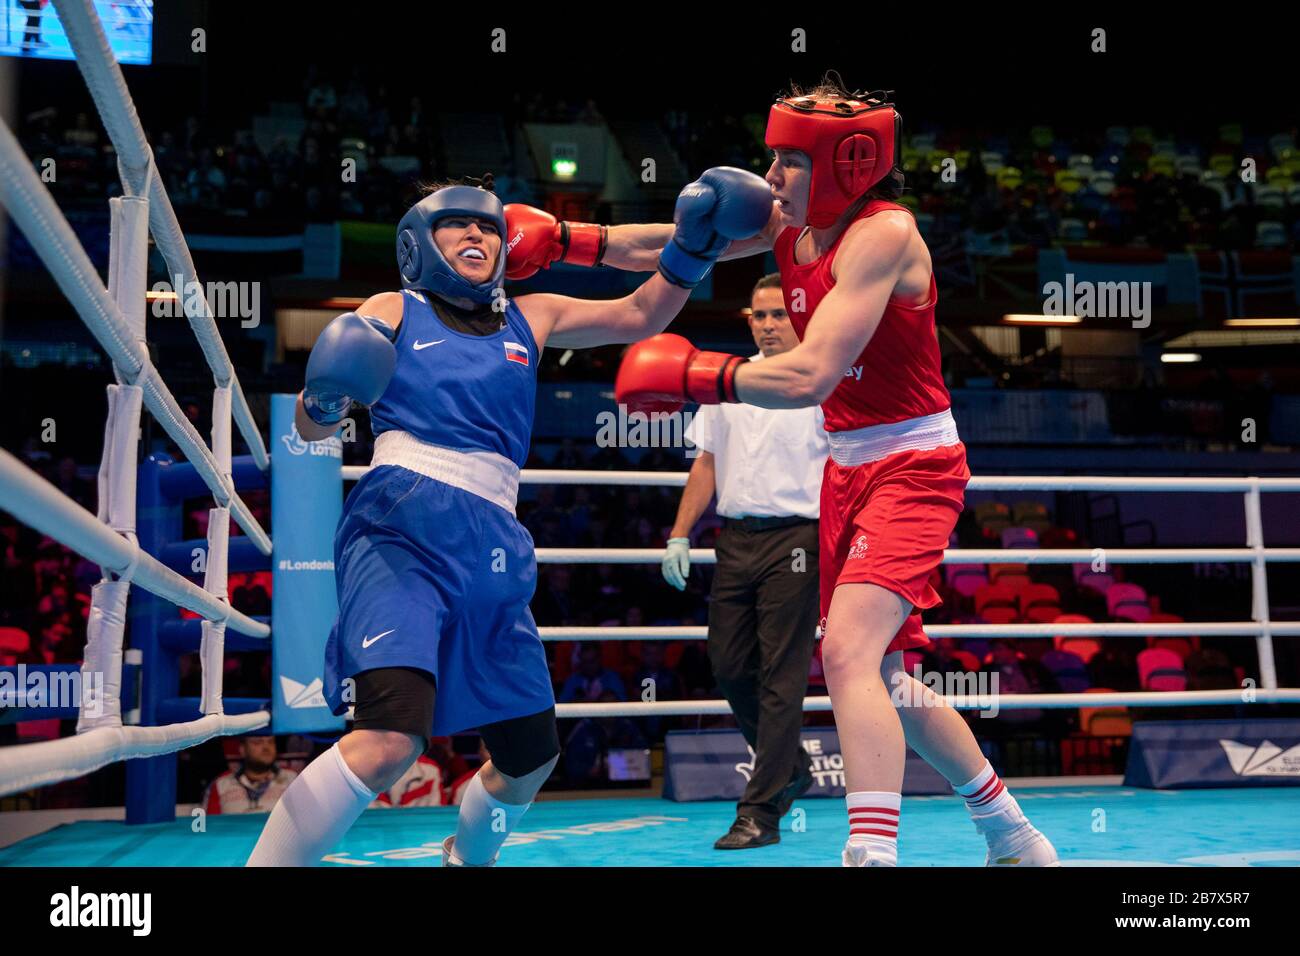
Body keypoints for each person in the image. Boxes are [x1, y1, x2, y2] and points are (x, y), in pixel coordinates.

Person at [246, 168, 770, 866]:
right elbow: (314, 434)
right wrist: (325, 400)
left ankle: (468, 856)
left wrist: (693, 250)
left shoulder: (536, 312)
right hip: (400, 528)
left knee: (529, 755)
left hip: (493, 538)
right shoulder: (396, 307)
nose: (476, 234)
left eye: (488, 225)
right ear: (418, 245)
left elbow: (641, 314)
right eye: (456, 224)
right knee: (389, 739)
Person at [613, 79, 1058, 867]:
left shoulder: (883, 234)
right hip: (845, 470)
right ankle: (1012, 833)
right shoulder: (792, 229)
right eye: (771, 157)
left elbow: (812, 374)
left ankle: (870, 853)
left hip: (914, 462)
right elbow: (672, 242)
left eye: (787, 160)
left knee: (847, 654)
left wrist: (696, 375)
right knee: (887, 680)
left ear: (846, 166)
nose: (771, 176)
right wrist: (552, 243)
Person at [664, 273, 826, 849]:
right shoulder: (723, 381)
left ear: (801, 315)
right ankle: (791, 769)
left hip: (800, 540)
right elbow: (706, 463)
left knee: (782, 674)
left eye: (779, 314)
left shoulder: (821, 381)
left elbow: (846, 469)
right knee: (729, 664)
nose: (768, 324)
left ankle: (760, 812)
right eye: (759, 315)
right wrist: (679, 534)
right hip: (734, 539)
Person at [201, 735, 298, 815]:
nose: (266, 747)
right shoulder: (220, 784)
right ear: (242, 749)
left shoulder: (293, 779)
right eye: (257, 742)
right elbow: (209, 826)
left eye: (271, 742)